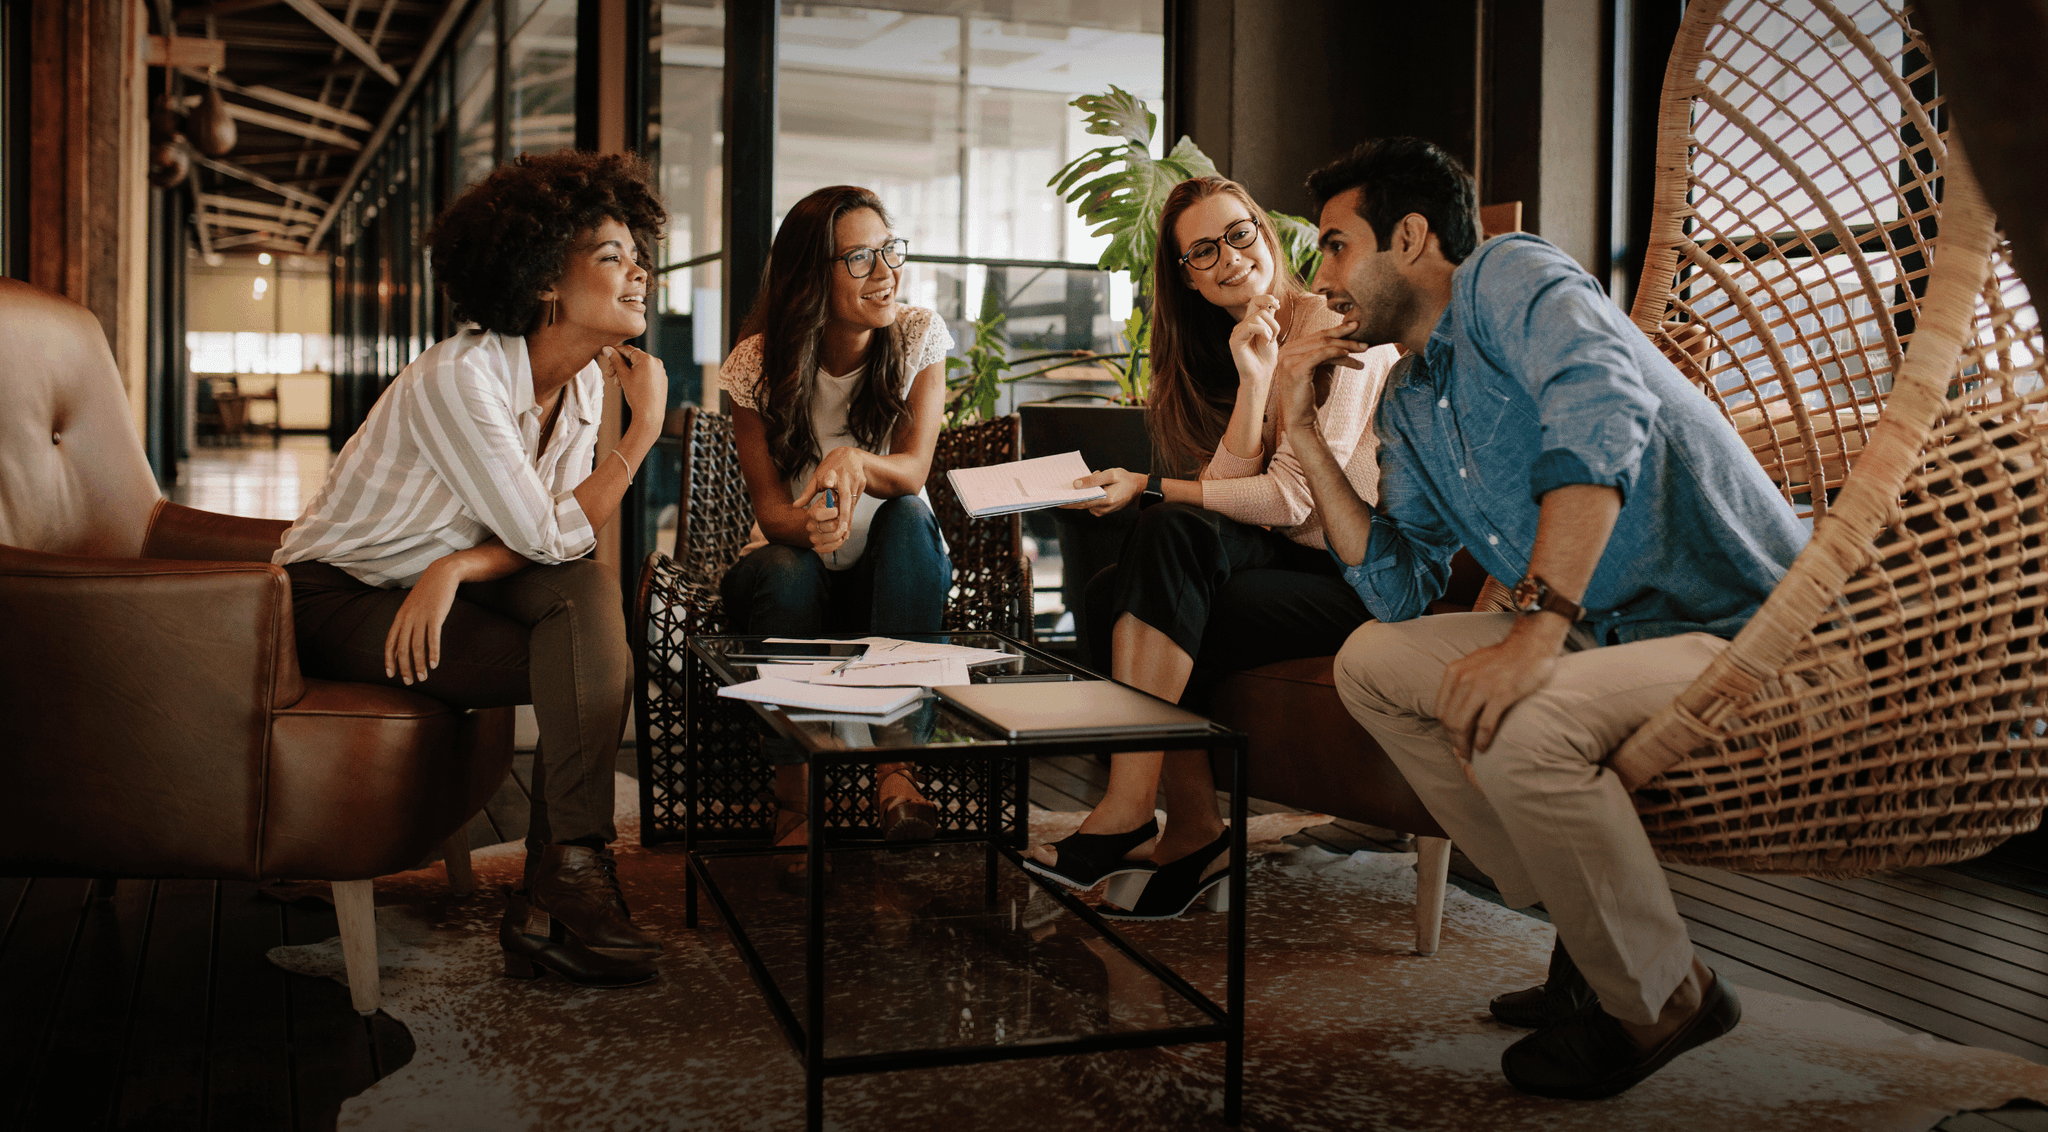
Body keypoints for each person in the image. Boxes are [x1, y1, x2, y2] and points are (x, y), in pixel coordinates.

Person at [1277, 137, 1808, 1098]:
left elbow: (1601, 403)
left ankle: (1667, 998)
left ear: (1410, 235)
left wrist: (1538, 630)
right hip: (1612, 637)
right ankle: (1589, 932)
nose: (1322, 280)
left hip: (1743, 625)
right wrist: (1301, 428)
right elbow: (1397, 588)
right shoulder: (1411, 399)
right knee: (1371, 662)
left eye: (1334, 247)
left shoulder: (1507, 278)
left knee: (1527, 727)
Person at [274, 151, 671, 988]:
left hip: (437, 582)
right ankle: (558, 890)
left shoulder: (587, 386)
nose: (640, 271)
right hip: (332, 599)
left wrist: (455, 565)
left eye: (639, 253)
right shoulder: (461, 378)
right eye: (612, 256)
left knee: (581, 600)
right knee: (579, 635)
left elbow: (557, 544)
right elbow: (548, 531)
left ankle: (564, 878)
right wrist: (644, 437)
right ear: (545, 282)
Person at [1022, 175, 1400, 919]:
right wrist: (1255, 377)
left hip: (1357, 575)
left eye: (1238, 234)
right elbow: (1234, 491)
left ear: (1266, 232)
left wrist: (1152, 486)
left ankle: (1130, 809)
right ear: (1188, 280)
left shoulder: (1335, 326)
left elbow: (1291, 500)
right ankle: (1194, 828)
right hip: (1285, 562)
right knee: (1112, 588)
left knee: (1165, 527)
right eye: (1202, 252)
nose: (1228, 258)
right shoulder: (1234, 349)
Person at [717, 185, 953, 869]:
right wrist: (813, 529)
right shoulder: (756, 364)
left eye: (890, 250)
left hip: (894, 573)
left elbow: (911, 472)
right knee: (786, 571)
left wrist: (852, 464)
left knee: (909, 519)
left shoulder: (915, 336)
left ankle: (896, 774)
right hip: (795, 561)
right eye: (859, 259)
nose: (886, 273)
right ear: (809, 276)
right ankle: (794, 799)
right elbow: (769, 510)